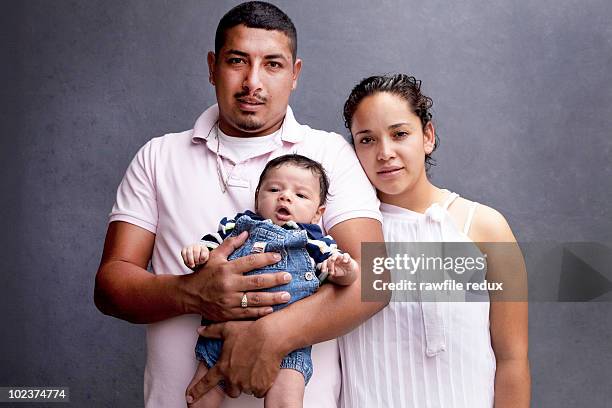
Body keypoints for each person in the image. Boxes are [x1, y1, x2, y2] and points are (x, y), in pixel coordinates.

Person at [93, 2, 385, 408]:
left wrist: (270, 335)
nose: (253, 82)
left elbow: (375, 279)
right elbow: (110, 286)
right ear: (213, 66)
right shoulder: (158, 157)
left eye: (273, 65)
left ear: (294, 74)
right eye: (237, 61)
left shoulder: (329, 153)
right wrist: (194, 293)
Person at [339, 74, 530, 407]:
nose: (385, 153)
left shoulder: (484, 228)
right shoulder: (344, 234)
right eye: (367, 140)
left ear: (427, 136)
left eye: (399, 134)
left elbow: (512, 360)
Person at [182, 154, 359, 408]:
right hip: (223, 328)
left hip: (289, 339)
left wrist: (345, 270)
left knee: (286, 400)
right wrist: (199, 252)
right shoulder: (239, 226)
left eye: (301, 195)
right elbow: (210, 251)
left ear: (317, 213)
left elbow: (343, 273)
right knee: (199, 396)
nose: (285, 197)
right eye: (274, 189)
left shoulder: (314, 240)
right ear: (257, 198)